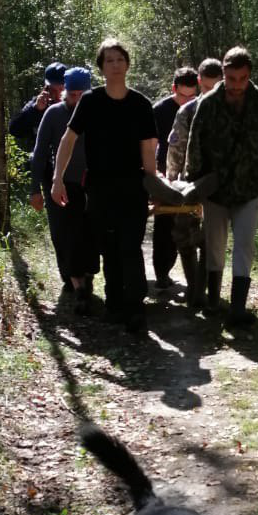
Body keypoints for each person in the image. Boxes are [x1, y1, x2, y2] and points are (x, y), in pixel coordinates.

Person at [185, 46, 258, 325]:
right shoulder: (208, 104)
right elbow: (194, 146)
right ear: (223, 74)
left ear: (249, 76)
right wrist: (194, 186)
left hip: (249, 187)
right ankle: (213, 302)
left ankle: (238, 308)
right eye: (231, 78)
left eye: (243, 79)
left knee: (244, 246)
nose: (237, 85)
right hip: (215, 190)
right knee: (214, 247)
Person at [51, 40, 158, 334]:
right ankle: (114, 303)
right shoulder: (90, 101)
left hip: (133, 186)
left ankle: (136, 308)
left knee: (130, 246)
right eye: (109, 60)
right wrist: (57, 178)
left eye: (120, 59)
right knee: (109, 246)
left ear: (127, 64)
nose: (115, 64)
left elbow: (147, 149)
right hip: (99, 187)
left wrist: (154, 186)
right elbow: (68, 140)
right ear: (101, 68)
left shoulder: (140, 104)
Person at [30, 67, 99, 314]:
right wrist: (34, 189)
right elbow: (38, 154)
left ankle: (86, 276)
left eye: (82, 94)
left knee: (90, 234)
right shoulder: (53, 114)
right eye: (73, 94)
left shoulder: (98, 113)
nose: (77, 99)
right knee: (65, 236)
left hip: (92, 184)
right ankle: (77, 285)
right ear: (64, 93)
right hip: (61, 184)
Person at [164, 57, 223, 310]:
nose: (211, 92)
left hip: (218, 187)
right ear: (199, 83)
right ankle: (193, 288)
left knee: (211, 241)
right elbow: (175, 150)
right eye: (207, 87)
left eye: (216, 87)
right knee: (183, 238)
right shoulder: (187, 111)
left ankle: (204, 294)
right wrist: (170, 183)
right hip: (188, 184)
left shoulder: (229, 112)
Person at [150, 67, 199, 290]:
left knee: (191, 228)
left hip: (192, 175)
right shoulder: (158, 111)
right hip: (164, 173)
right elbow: (149, 146)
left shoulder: (201, 110)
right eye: (182, 95)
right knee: (164, 227)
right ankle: (162, 274)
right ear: (173, 89)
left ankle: (195, 281)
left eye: (192, 96)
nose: (187, 101)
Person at [9, 61, 66, 156]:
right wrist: (35, 109)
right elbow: (15, 130)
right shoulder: (38, 104)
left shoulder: (75, 104)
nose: (57, 95)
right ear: (47, 88)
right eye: (53, 90)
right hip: (44, 166)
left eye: (61, 89)